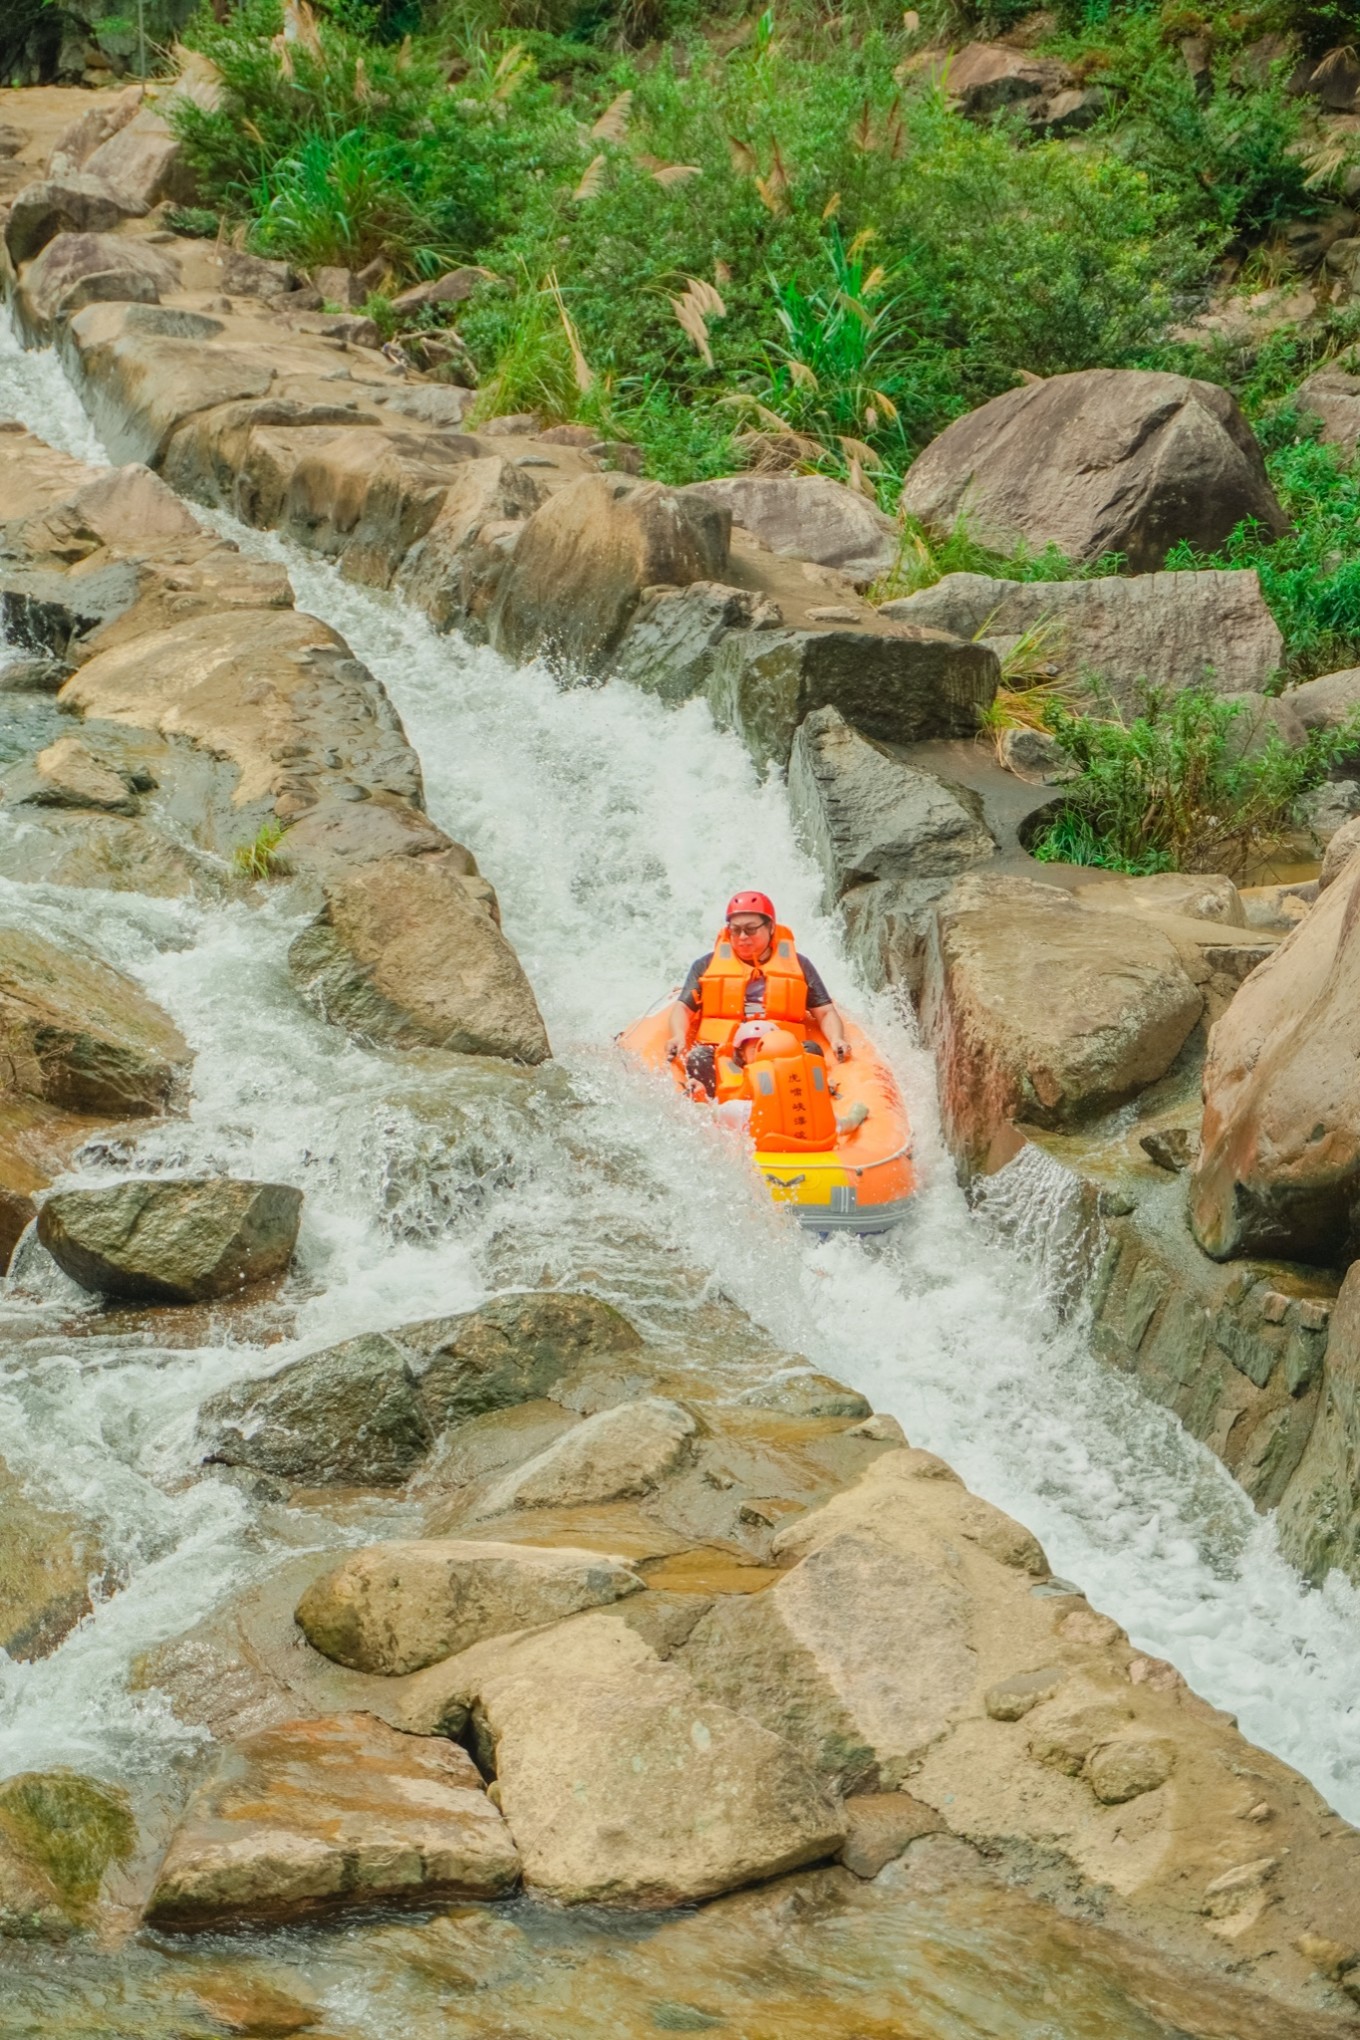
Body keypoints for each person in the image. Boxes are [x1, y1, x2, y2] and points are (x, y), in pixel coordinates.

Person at [665, 891, 850, 1097]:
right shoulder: (705, 965)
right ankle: (709, 1108)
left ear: (771, 927)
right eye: (735, 930)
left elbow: (824, 1011)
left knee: (811, 1051)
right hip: (727, 1048)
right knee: (699, 1057)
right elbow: (683, 1008)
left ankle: (803, 1106)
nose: (742, 937)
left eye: (751, 929)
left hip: (780, 1046)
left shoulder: (799, 965)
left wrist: (836, 1039)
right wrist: (678, 1035)